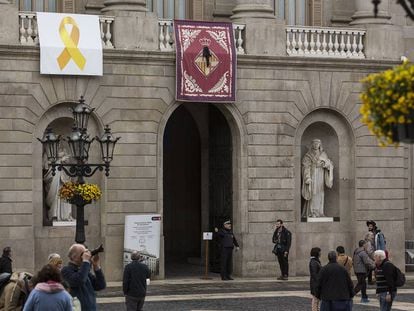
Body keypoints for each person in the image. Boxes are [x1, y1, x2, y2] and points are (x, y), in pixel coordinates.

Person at [61, 243, 106, 311]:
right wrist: (85, 262)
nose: (86, 256)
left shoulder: (84, 271)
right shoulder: (66, 270)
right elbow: (79, 281)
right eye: (83, 254)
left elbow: (100, 285)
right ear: (74, 257)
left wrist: (96, 266)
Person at [301, 139, 334, 218]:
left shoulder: (323, 154)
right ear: (312, 144)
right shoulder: (308, 154)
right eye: (314, 143)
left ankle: (320, 212)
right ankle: (312, 212)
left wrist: (326, 164)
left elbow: (330, 163)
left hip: (321, 175)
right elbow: (306, 166)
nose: (316, 145)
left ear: (320, 145)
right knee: (313, 193)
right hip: (313, 175)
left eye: (318, 143)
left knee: (320, 193)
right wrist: (307, 177)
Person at [43, 150, 74, 222]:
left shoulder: (65, 147)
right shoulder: (48, 148)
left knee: (65, 194)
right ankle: (55, 214)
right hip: (54, 173)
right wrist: (58, 161)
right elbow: (45, 165)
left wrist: (64, 161)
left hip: (64, 174)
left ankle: (65, 215)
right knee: (55, 194)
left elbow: (70, 162)